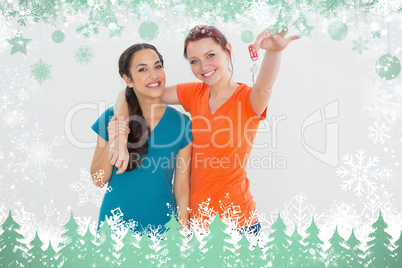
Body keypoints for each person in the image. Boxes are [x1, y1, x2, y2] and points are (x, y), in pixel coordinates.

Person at [108, 25, 299, 234]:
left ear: (227, 51)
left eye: (210, 55)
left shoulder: (248, 100)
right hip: (198, 225)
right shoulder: (195, 93)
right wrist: (118, 136)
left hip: (239, 224)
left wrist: (273, 52)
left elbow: (264, 86)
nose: (203, 66)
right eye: (194, 61)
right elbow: (134, 93)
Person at [90, 43, 193, 237]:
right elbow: (98, 180)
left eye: (158, 66)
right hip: (115, 229)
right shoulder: (112, 117)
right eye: (143, 69)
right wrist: (114, 140)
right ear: (127, 79)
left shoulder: (182, 124)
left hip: (163, 229)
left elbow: (181, 187)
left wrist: (183, 229)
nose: (154, 75)